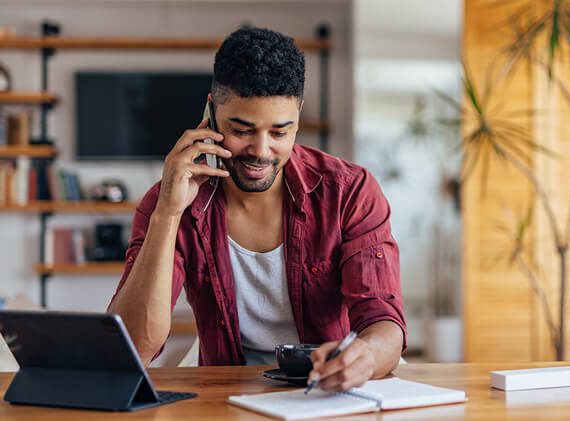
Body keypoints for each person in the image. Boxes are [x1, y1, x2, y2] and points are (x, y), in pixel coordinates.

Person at [108, 27, 405, 392]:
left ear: (297, 116)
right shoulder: (168, 201)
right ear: (211, 112)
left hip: (329, 392)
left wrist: (367, 356)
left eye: (280, 132)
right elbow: (132, 350)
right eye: (242, 129)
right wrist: (168, 215)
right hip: (226, 397)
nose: (261, 151)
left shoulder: (349, 192)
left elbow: (384, 321)